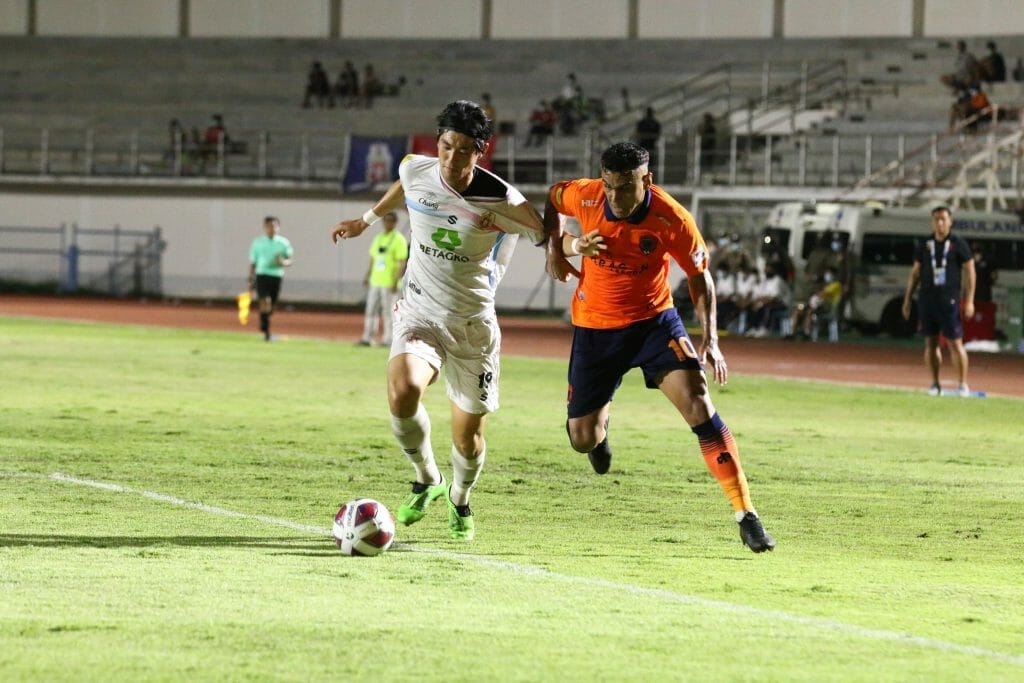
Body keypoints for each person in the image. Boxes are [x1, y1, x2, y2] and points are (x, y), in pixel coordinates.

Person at [543, 141, 775, 553]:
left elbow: (700, 277)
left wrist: (711, 340)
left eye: (625, 187)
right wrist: (555, 251)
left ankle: (747, 515)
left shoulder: (673, 218)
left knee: (698, 402)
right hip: (596, 329)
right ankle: (600, 432)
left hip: (654, 323)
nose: (615, 197)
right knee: (581, 438)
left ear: (646, 180)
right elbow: (552, 198)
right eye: (610, 186)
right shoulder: (587, 195)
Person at [330, 100, 545, 541]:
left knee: (468, 440)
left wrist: (563, 248)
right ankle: (427, 478)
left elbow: (543, 233)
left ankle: (460, 497)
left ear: (480, 151)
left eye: (464, 150)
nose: (451, 158)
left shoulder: (502, 197)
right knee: (402, 390)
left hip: (472, 326)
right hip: (420, 311)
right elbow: (404, 186)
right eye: (446, 146)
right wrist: (366, 220)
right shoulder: (416, 168)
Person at [901, 205, 976, 396]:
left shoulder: (958, 243)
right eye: (936, 219)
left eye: (943, 219)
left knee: (955, 343)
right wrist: (908, 299)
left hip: (949, 300)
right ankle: (935, 384)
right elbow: (915, 273)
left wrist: (969, 300)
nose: (940, 223)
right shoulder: (925, 244)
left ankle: (962, 385)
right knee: (930, 343)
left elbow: (970, 272)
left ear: (950, 221)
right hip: (927, 299)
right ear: (932, 222)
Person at [358, 211, 409, 347]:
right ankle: (367, 338)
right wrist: (367, 276)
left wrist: (396, 280)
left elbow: (402, 262)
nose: (387, 223)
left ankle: (388, 339)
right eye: (386, 220)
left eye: (390, 221)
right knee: (371, 310)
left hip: (389, 283)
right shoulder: (378, 238)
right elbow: (373, 259)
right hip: (375, 281)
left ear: (395, 223)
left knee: (389, 312)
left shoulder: (399, 239)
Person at [248, 216, 294, 342]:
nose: (271, 229)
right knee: (265, 301)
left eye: (274, 226)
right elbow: (253, 262)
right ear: (265, 227)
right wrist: (251, 279)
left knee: (271, 305)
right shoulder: (258, 243)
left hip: (276, 275)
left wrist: (283, 262)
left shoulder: (283, 243)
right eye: (269, 226)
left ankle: (264, 319)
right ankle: (266, 331)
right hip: (262, 274)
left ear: (278, 228)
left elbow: (290, 260)